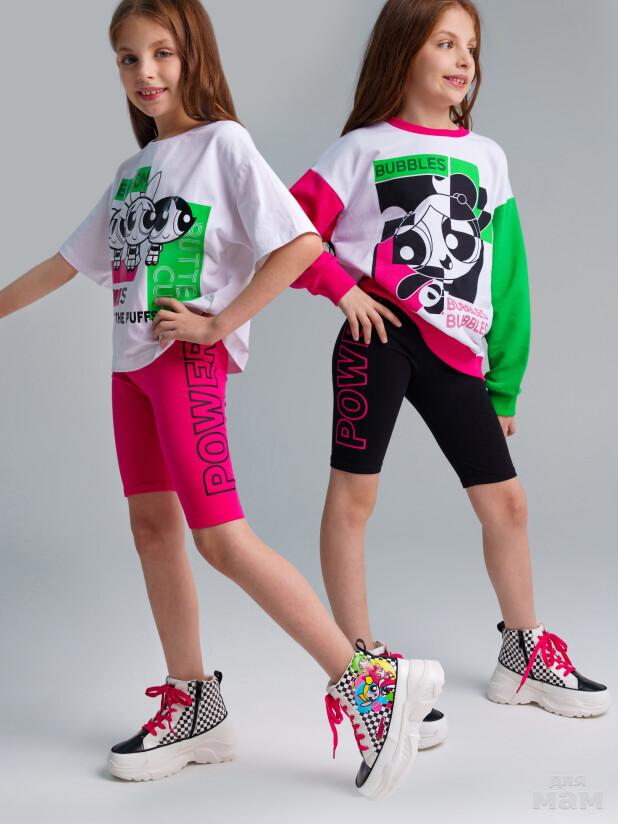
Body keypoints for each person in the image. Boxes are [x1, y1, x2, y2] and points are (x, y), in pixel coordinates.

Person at [0, 0, 445, 800]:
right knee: (152, 529)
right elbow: (63, 265)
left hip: (184, 365)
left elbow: (299, 244)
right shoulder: (133, 172)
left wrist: (218, 325)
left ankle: (372, 688)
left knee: (222, 540)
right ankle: (195, 704)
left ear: (193, 54)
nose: (146, 73)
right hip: (129, 369)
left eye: (162, 53)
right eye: (128, 58)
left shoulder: (223, 145)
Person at [291, 0, 609, 721]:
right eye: (444, 42)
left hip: (458, 352)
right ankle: (364, 671)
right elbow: (289, 232)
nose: (464, 58)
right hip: (378, 337)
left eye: (470, 45)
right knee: (354, 499)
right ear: (403, 50)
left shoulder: (487, 157)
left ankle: (523, 657)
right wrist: (342, 289)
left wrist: (505, 382)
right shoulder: (360, 149)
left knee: (507, 504)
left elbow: (508, 274)